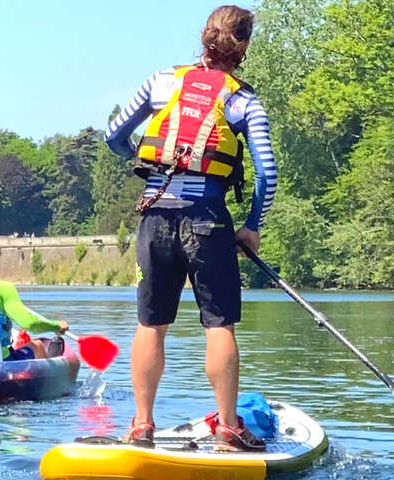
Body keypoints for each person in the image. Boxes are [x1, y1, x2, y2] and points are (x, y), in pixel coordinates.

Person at [104, 5, 277, 451]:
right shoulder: (243, 101)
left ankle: (142, 425)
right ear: (244, 47)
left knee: (151, 324)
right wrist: (252, 226)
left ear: (203, 37)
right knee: (218, 326)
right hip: (207, 220)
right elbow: (268, 173)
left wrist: (140, 158)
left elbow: (114, 135)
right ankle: (227, 428)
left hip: (155, 216)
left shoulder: (161, 81)